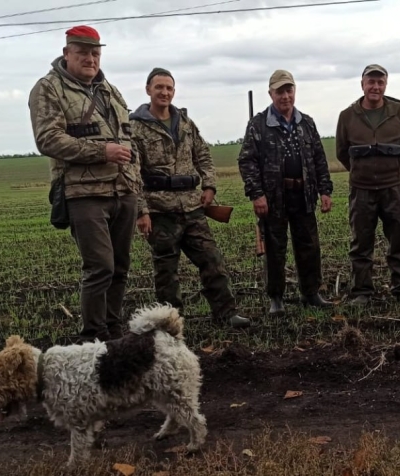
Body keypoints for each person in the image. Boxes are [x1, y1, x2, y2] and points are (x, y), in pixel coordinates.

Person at [28, 25, 140, 342]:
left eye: (95, 53)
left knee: (120, 267)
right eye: (83, 53)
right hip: (84, 194)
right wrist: (100, 151)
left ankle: (114, 330)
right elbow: (48, 139)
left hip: (123, 190)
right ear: (67, 54)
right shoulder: (48, 89)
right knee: (100, 267)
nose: (90, 59)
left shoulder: (110, 91)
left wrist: (136, 188)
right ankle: (94, 335)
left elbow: (130, 142)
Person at [130, 68, 251, 328]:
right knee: (167, 273)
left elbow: (203, 155)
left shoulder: (185, 122)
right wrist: (142, 210)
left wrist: (210, 186)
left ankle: (226, 314)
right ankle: (170, 325)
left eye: (169, 88)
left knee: (212, 260)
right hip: (160, 210)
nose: (164, 92)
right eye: (159, 87)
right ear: (148, 89)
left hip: (192, 207)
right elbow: (132, 172)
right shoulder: (135, 128)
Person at [237, 69, 334, 316]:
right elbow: (247, 161)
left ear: (294, 91)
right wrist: (257, 194)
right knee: (275, 248)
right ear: (271, 93)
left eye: (289, 90)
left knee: (309, 246)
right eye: (280, 91)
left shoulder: (307, 123)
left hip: (303, 196)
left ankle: (311, 293)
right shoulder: (258, 124)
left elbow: (319, 159)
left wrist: (325, 190)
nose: (285, 96)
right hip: (273, 199)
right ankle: (276, 298)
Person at [335, 64, 400, 306]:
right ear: (362, 84)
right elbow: (343, 152)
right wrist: (361, 172)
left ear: (386, 84)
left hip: (394, 187)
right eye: (370, 82)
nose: (375, 87)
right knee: (361, 241)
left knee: (399, 239)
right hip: (361, 189)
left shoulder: (399, 112)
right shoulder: (347, 116)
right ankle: (362, 292)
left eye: (380, 82)